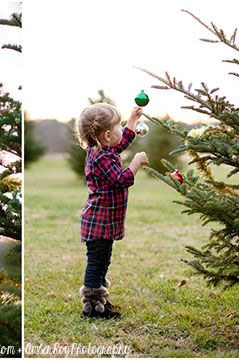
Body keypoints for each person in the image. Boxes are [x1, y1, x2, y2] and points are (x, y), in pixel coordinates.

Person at [74, 103, 148, 319]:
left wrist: (132, 120)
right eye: (118, 126)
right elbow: (121, 179)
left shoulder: (104, 148)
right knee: (96, 263)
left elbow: (124, 139)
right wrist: (135, 162)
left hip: (105, 221)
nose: (121, 130)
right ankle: (92, 306)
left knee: (103, 261)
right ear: (107, 135)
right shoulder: (102, 157)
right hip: (99, 222)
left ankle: (99, 298)